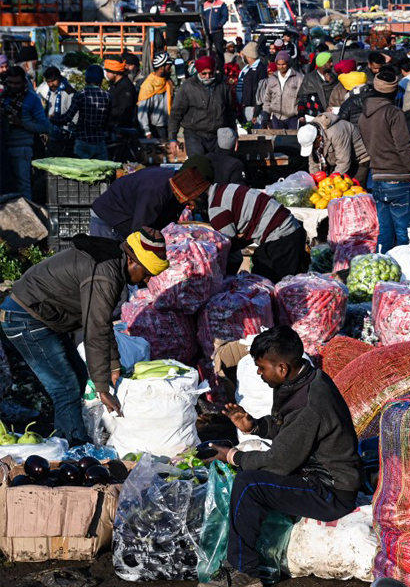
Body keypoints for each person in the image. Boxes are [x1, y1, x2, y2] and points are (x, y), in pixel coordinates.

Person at [199, 325, 361, 587]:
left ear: (282, 368)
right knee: (252, 474)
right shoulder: (307, 380)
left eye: (262, 368)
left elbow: (279, 462)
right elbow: (289, 428)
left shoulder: (310, 403)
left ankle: (245, 571)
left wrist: (232, 456)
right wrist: (255, 426)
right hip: (315, 474)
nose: (259, 374)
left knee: (249, 484)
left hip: (330, 491)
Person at [0, 228, 170, 445]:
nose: (144, 280)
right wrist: (102, 389)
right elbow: (95, 331)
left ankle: (63, 441)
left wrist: (114, 365)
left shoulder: (113, 263)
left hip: (44, 317)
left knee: (78, 376)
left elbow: (103, 322)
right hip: (25, 317)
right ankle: (74, 451)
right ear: (132, 261)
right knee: (65, 387)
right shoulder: (105, 274)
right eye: (146, 273)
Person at [359, 71, 410, 252]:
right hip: (398, 179)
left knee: (386, 233)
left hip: (378, 180)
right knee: (406, 235)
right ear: (394, 92)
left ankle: (384, 268)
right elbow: (403, 148)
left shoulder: (364, 115)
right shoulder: (393, 113)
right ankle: (407, 275)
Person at [203, 180, 309, 283]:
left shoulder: (217, 210)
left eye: (190, 202)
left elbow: (233, 256)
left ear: (198, 197)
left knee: (265, 286)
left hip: (282, 237)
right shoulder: (226, 189)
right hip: (292, 230)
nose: (190, 207)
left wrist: (223, 281)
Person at [91, 157, 214, 240]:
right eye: (192, 201)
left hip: (128, 220)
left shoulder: (177, 186)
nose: (191, 207)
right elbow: (139, 233)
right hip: (108, 220)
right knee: (114, 267)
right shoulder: (155, 191)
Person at [169, 55, 236, 158]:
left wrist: (234, 135)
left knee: (218, 165)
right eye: (204, 74)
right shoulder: (187, 87)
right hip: (195, 133)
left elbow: (230, 112)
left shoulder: (222, 87)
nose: (207, 77)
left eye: (210, 73)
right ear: (198, 72)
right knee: (199, 165)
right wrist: (173, 138)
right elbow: (176, 113)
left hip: (217, 135)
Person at [1, 66, 50, 198]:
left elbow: (45, 127)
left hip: (22, 149)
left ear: (23, 82)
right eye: (10, 82)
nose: (12, 86)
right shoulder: (3, 97)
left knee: (23, 186)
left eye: (16, 83)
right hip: (4, 149)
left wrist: (22, 123)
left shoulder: (32, 99)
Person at [50, 64, 110, 161]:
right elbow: (108, 120)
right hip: (100, 142)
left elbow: (67, 118)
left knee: (81, 173)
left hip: (83, 141)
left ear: (86, 79)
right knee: (101, 173)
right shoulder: (107, 96)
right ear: (101, 80)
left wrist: (52, 119)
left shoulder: (80, 96)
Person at [299, 112, 370, 185]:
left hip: (358, 160)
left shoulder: (336, 132)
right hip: (337, 161)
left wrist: (328, 183)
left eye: (312, 146)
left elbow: (343, 161)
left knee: (353, 189)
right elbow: (313, 162)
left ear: (319, 138)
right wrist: (315, 181)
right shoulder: (310, 134)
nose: (312, 148)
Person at [36, 66, 75, 157]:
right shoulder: (51, 92)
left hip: (64, 136)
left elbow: (74, 116)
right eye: (48, 82)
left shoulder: (68, 91)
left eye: (53, 81)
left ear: (59, 78)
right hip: (52, 134)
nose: (50, 84)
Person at [262, 50, 303, 129]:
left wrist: (301, 113)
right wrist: (266, 116)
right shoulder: (272, 79)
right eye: (279, 64)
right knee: (278, 140)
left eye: (283, 64)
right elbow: (267, 99)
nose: (281, 67)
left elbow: (302, 97)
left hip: (293, 116)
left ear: (287, 63)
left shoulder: (298, 78)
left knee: (292, 140)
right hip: (277, 117)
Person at [138, 52, 174, 139]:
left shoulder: (167, 83)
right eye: (168, 67)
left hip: (167, 126)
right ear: (161, 68)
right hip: (155, 130)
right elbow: (142, 112)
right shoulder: (148, 86)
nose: (171, 70)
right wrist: (147, 132)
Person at [236, 42, 267, 128]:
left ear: (249, 56)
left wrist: (257, 109)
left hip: (253, 107)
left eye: (244, 55)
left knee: (255, 130)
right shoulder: (246, 68)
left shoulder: (260, 69)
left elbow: (261, 90)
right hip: (244, 105)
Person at [299, 52, 337, 117]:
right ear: (322, 64)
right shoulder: (310, 78)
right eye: (329, 62)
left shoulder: (334, 78)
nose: (332, 64)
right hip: (313, 116)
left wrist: (330, 82)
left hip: (331, 116)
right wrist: (301, 115)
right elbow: (302, 98)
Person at [105, 56, 137, 130]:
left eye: (108, 71)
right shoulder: (114, 84)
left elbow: (125, 109)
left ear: (115, 72)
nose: (106, 74)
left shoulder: (125, 86)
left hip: (121, 128)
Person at [202, 0, 228, 65]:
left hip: (217, 31)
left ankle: (221, 65)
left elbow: (225, 15)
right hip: (207, 32)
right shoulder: (205, 5)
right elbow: (202, 16)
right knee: (207, 49)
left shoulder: (221, 4)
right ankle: (207, 63)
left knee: (219, 49)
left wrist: (220, 24)